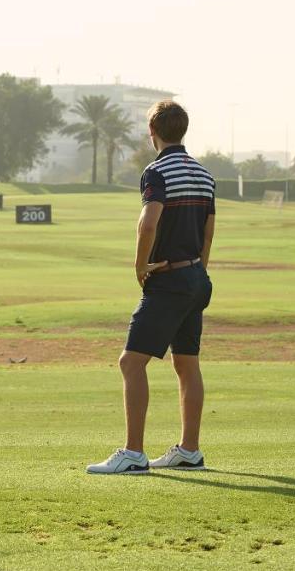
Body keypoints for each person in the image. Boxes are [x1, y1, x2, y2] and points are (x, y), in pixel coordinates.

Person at [87, 100, 215, 474]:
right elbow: (208, 232)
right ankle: (189, 450)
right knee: (187, 363)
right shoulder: (204, 174)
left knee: (131, 362)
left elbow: (148, 224)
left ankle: (133, 454)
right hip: (196, 277)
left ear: (152, 133)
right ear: (183, 130)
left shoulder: (156, 172)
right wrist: (197, 274)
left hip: (169, 279)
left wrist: (140, 265)